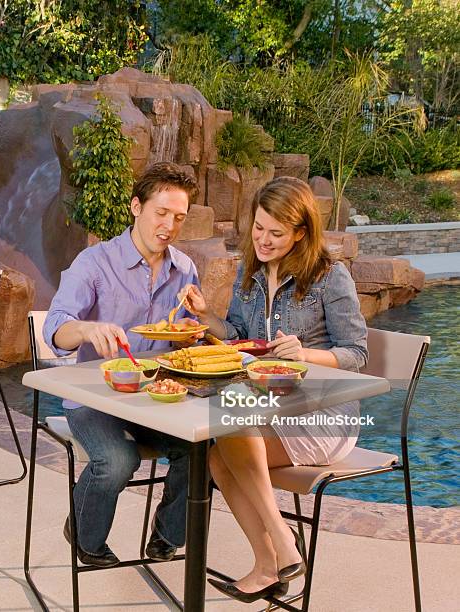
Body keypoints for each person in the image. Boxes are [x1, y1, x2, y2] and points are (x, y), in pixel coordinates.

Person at [184, 176, 368, 603]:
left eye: (276, 233)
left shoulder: (329, 276)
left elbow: (357, 353)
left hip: (325, 416)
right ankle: (270, 562)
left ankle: (283, 546)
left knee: (231, 431)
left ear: (301, 232)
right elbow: (237, 336)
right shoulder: (249, 274)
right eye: (259, 228)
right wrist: (205, 316)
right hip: (270, 410)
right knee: (217, 455)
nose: (263, 240)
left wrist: (306, 355)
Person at [43, 162, 201, 568]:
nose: (168, 225)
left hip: (154, 397)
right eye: (161, 213)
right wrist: (85, 329)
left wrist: (190, 330)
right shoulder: (94, 263)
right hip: (95, 398)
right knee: (117, 460)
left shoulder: (185, 269)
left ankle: (166, 536)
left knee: (204, 448)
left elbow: (190, 333)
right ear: (136, 207)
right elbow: (56, 329)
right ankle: (84, 535)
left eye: (178, 217)